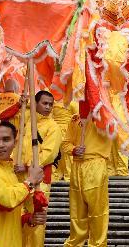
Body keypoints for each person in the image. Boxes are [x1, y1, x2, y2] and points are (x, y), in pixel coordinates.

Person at [62, 103, 113, 247]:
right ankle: (75, 242)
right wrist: (74, 149)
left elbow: (113, 129)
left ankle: (98, 244)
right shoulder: (74, 119)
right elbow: (65, 143)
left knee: (97, 210)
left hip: (95, 164)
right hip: (77, 166)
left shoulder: (106, 114)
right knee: (77, 211)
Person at [0, 121, 46, 245]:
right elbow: (6, 200)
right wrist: (30, 181)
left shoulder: (12, 172)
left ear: (15, 143)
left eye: (6, 139)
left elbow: (16, 219)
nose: (1, 145)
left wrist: (30, 220)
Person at [19, 90, 63, 247]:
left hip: (40, 180)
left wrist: (25, 165)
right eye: (44, 103)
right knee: (19, 219)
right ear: (35, 103)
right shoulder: (27, 121)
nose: (48, 107)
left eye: (51, 104)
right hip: (19, 178)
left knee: (36, 221)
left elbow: (48, 155)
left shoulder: (53, 127)